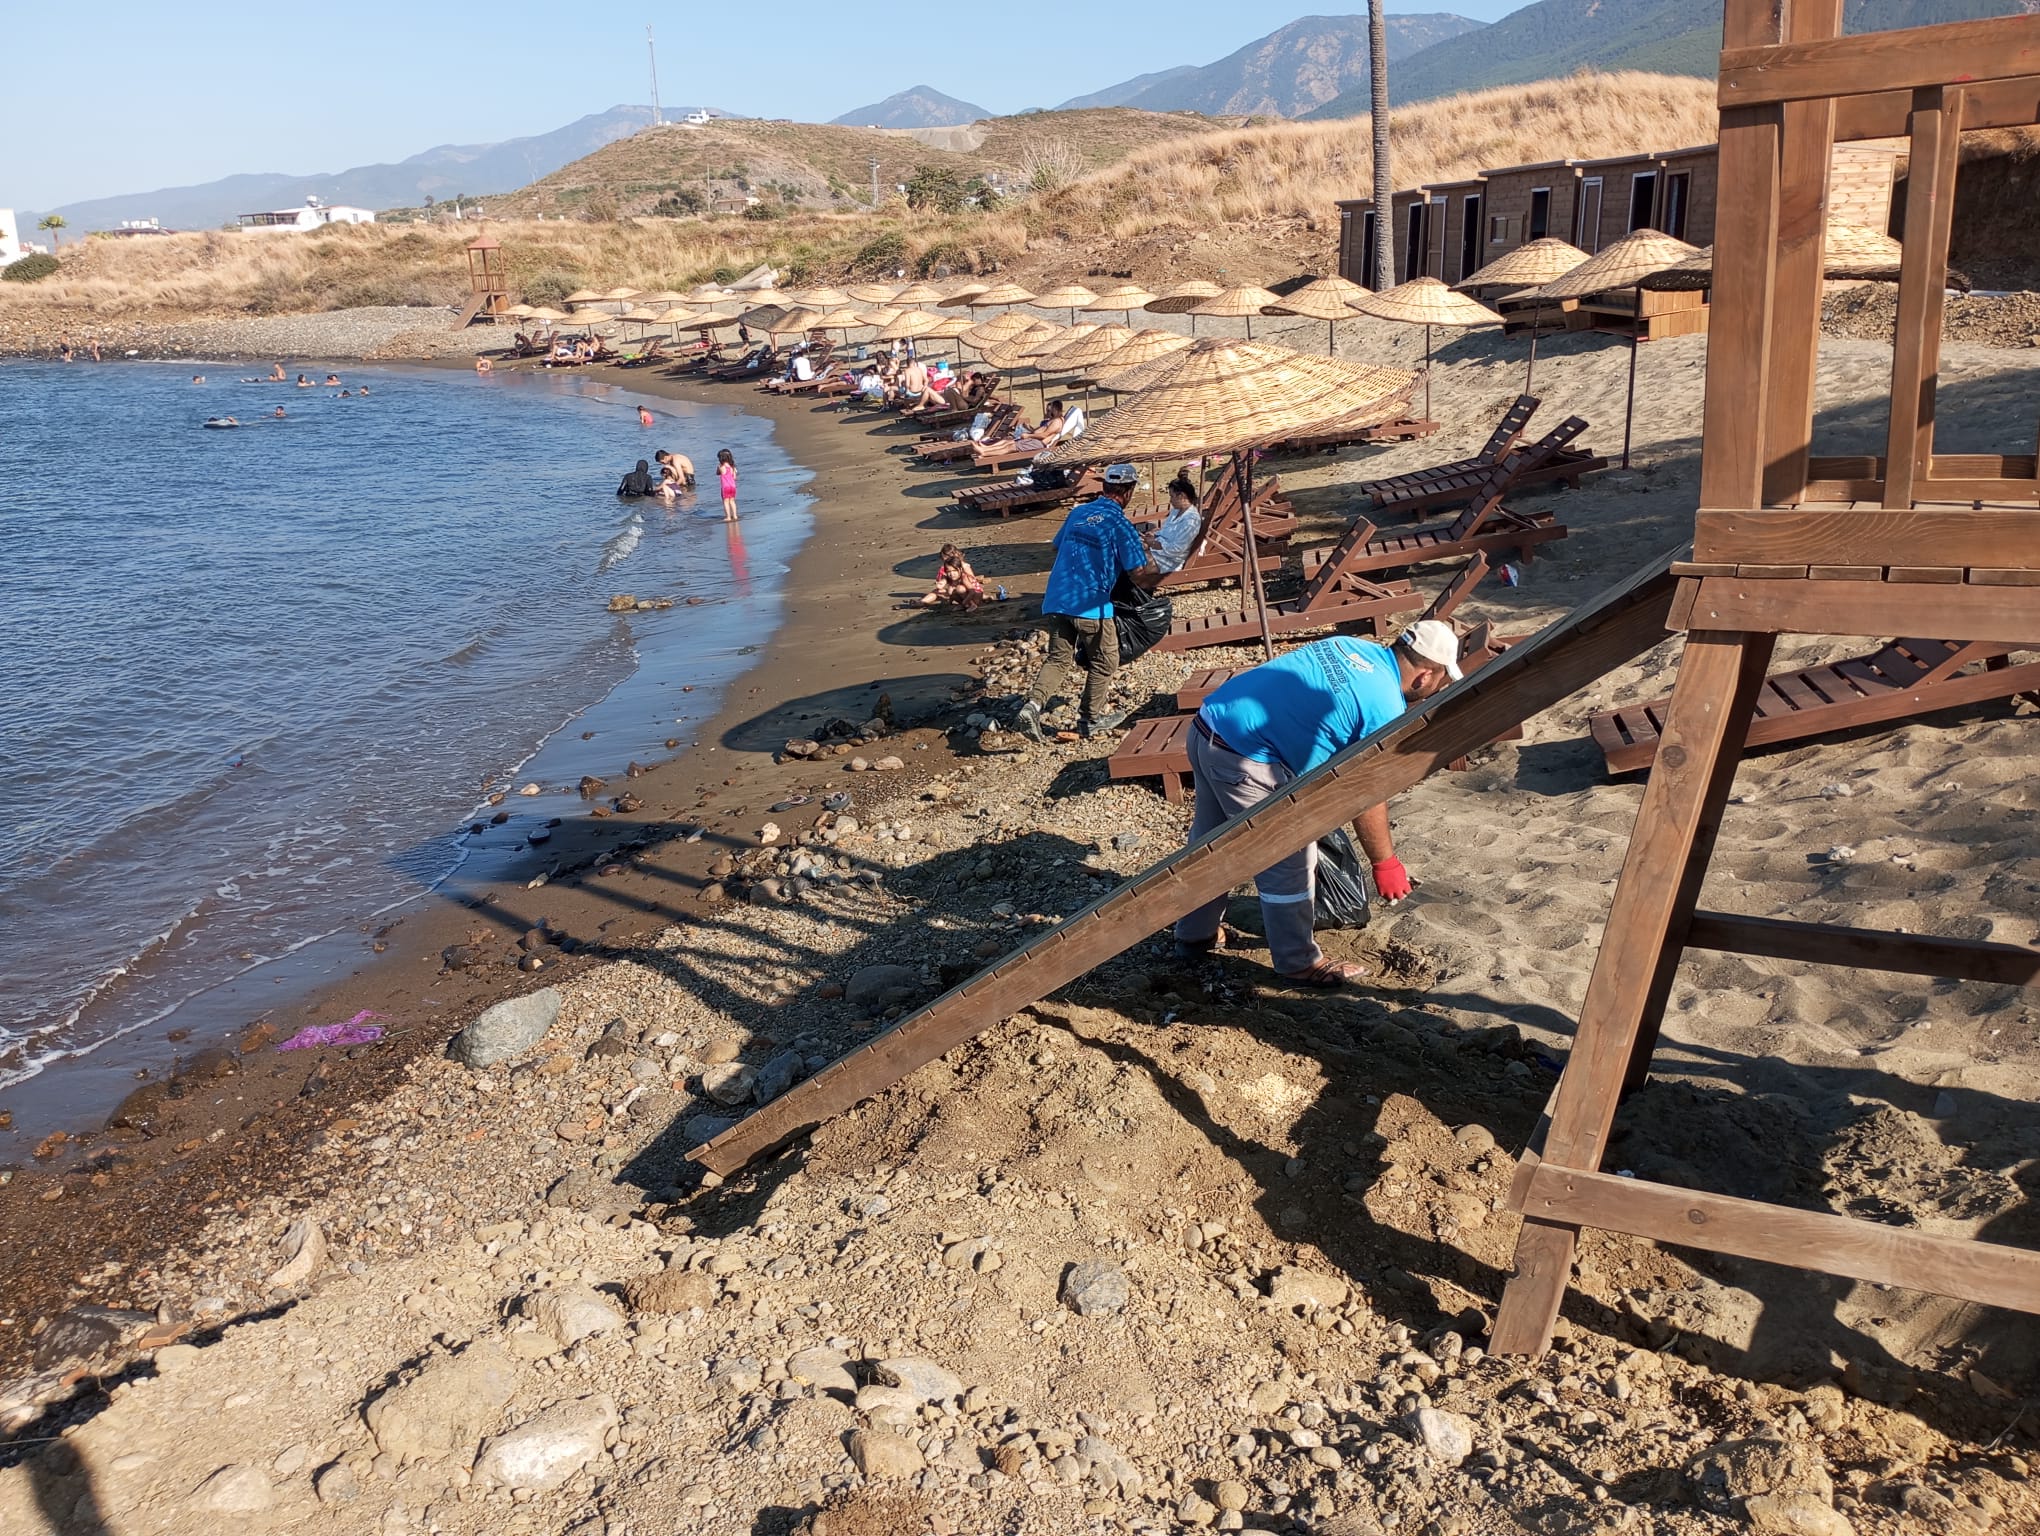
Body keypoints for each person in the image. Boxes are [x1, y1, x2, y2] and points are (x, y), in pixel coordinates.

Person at [1172, 622, 1462, 987]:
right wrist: (1384, 862)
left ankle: (1196, 933)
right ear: (1424, 677)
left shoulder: (1350, 645)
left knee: (1211, 844)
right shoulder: (1384, 705)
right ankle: (1297, 963)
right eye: (1442, 681)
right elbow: (1366, 794)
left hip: (1208, 725)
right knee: (1288, 858)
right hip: (1243, 755)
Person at [1015, 463, 1158, 741]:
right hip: (1089, 603)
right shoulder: (1120, 524)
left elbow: (1057, 545)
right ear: (1128, 492)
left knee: (1058, 658)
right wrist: (1151, 551)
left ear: (1104, 487)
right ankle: (1089, 720)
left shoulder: (1078, 512)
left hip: (1057, 598)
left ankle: (1032, 706)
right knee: (1105, 660)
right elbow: (1139, 571)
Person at [1148, 475, 1204, 574]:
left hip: (1171, 561)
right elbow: (1167, 532)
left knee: (1132, 559)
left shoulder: (1191, 521)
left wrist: (1153, 544)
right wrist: (1154, 535)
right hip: (1160, 552)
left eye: (1172, 496)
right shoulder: (1176, 511)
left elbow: (1177, 550)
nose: (1170, 500)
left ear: (1181, 496)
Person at [919, 543, 986, 613]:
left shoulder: (963, 571)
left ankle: (970, 604)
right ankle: (923, 602)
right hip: (965, 592)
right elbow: (944, 580)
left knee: (959, 589)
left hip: (974, 594)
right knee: (950, 590)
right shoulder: (949, 571)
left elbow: (972, 587)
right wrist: (941, 584)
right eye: (949, 571)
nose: (951, 573)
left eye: (948, 558)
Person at [716, 449, 739, 521]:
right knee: (732, 501)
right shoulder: (733, 467)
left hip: (725, 487)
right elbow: (735, 478)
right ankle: (735, 516)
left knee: (726, 501)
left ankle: (728, 517)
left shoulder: (720, 467)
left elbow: (717, 473)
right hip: (733, 486)